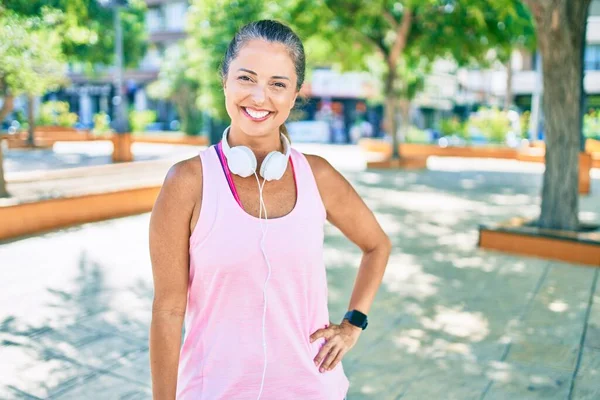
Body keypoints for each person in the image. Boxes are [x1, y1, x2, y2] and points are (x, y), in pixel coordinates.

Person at [149, 20, 391, 400]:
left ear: (295, 95)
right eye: (246, 78)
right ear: (225, 81)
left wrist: (353, 324)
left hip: (312, 389)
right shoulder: (187, 182)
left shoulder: (318, 175)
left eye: (278, 84)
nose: (260, 97)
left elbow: (377, 246)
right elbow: (167, 311)